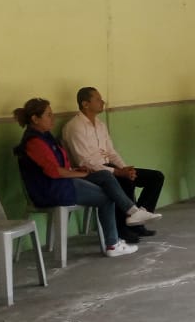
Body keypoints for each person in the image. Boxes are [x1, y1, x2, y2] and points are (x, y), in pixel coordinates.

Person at [12, 98, 161, 258]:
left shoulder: (46, 136)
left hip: (62, 183)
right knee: (106, 197)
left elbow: (63, 166)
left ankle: (132, 212)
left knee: (105, 175)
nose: (53, 118)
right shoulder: (34, 142)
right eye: (48, 115)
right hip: (51, 190)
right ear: (35, 119)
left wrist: (78, 171)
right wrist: (82, 174)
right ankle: (113, 243)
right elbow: (54, 171)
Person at [62, 87, 164, 244]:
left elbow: (111, 152)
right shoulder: (75, 127)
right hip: (91, 172)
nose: (102, 102)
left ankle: (138, 220)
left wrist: (125, 168)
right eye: (97, 99)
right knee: (123, 180)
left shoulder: (100, 125)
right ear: (85, 104)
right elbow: (84, 161)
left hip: (109, 167)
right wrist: (118, 172)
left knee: (156, 177)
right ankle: (122, 229)